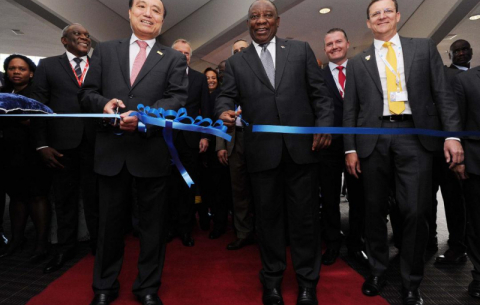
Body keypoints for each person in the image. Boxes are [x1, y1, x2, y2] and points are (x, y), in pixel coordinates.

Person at [343, 1, 464, 304]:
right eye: (375, 14)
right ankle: (377, 270)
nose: (381, 17)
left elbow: (443, 94)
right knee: (373, 211)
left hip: (414, 136)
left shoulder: (423, 48)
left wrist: (452, 136)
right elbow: (350, 110)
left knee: (415, 210)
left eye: (387, 11)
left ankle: (411, 282)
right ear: (369, 23)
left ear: (397, 16)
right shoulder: (358, 62)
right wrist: (350, 147)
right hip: (374, 139)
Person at [216, 1, 333, 304]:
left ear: (278, 21)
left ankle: (308, 282)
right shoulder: (237, 63)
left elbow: (320, 94)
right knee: (267, 222)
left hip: (302, 152)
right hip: (261, 155)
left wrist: (324, 125)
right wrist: (223, 111)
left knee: (305, 220)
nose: (261, 21)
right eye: (255, 17)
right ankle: (272, 281)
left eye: (267, 16)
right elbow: (225, 96)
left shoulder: (300, 51)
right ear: (248, 23)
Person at [78, 0, 187, 304]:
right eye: (141, 5)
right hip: (111, 151)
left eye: (156, 9)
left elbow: (177, 98)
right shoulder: (105, 50)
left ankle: (148, 287)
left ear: (163, 20)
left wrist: (145, 117)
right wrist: (103, 105)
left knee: (153, 228)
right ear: (129, 13)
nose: (148, 13)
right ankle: (104, 287)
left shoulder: (174, 58)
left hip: (151, 151)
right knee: (108, 226)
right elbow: (86, 93)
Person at [31, 23, 99, 274]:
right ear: (64, 41)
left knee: (96, 199)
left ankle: (98, 245)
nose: (84, 37)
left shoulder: (101, 65)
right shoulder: (48, 65)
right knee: (64, 200)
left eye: (87, 35)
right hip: (60, 146)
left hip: (95, 144)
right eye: (77, 34)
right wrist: (41, 144)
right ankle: (65, 247)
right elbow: (38, 106)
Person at [319, 28, 367, 266]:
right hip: (328, 147)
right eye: (329, 44)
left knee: (359, 198)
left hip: (358, 146)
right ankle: (332, 244)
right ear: (325, 48)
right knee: (329, 199)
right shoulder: (317, 76)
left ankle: (356, 245)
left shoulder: (362, 70)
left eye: (338, 42)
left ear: (348, 44)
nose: (334, 46)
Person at [0, 54, 50, 262]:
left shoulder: (36, 94)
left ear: (31, 73)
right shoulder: (4, 93)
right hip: (9, 152)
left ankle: (41, 244)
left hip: (33, 151)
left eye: (21, 69)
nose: (16, 72)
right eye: (12, 68)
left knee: (37, 196)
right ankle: (16, 240)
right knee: (16, 196)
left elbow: (38, 121)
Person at [432, 39, 473, 264]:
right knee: (451, 200)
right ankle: (454, 244)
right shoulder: (445, 77)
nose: (460, 53)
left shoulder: (475, 77)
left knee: (464, 202)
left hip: (470, 149)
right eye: (456, 50)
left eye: (464, 49)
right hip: (444, 150)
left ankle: (461, 244)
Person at [168, 38, 210, 247]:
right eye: (179, 52)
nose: (183, 56)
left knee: (187, 185)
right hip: (166, 139)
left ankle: (185, 229)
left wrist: (205, 136)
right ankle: (170, 227)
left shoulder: (199, 79)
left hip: (191, 140)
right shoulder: (162, 76)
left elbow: (206, 109)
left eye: (186, 53)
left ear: (190, 57)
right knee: (167, 185)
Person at [216, 38, 255, 251]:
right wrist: (220, 145)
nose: (240, 52)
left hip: (258, 139)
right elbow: (220, 115)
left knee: (261, 188)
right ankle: (243, 232)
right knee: (238, 190)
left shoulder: (258, 75)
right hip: (234, 140)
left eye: (243, 49)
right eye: (236, 50)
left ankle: (264, 231)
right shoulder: (228, 81)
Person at [452, 65, 480, 299]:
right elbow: (456, 122)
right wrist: (459, 161)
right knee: (478, 222)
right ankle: (479, 276)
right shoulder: (466, 80)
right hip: (476, 163)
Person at [199, 67, 231, 238]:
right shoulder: (199, 95)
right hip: (200, 147)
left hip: (216, 147)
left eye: (213, 78)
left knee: (219, 188)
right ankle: (204, 220)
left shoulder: (221, 97)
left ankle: (220, 224)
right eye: (207, 78)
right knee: (203, 188)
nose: (211, 80)